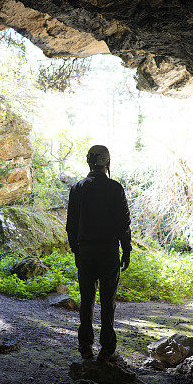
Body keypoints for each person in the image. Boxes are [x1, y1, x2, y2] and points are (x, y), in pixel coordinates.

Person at [66, 145, 131, 361]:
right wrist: (127, 249)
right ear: (108, 163)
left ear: (89, 163)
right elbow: (123, 224)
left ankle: (85, 347)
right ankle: (106, 349)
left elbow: (71, 225)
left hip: (85, 251)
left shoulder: (77, 188)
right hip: (108, 252)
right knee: (107, 300)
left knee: (87, 300)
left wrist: (76, 250)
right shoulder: (115, 189)